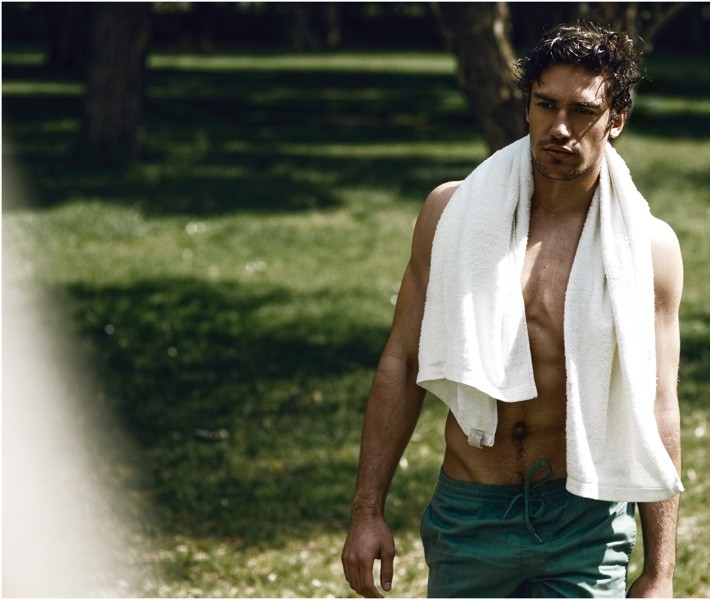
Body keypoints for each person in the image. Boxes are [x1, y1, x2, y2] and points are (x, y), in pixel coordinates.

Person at [341, 21, 683, 599]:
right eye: (545, 105)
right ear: (526, 107)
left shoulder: (649, 248)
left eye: (583, 111)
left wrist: (661, 570)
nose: (560, 127)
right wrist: (367, 510)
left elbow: (657, 402)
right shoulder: (450, 214)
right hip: (472, 512)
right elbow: (402, 360)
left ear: (616, 119)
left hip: (585, 519)